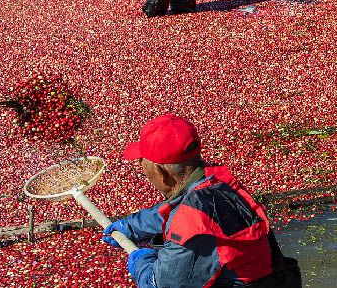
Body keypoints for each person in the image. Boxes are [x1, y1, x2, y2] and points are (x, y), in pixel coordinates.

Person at [102, 115, 301, 288]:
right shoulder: (218, 182)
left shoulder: (192, 224)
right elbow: (174, 209)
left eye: (142, 164)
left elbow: (162, 284)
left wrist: (141, 263)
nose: (142, 171)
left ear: (161, 172)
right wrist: (131, 225)